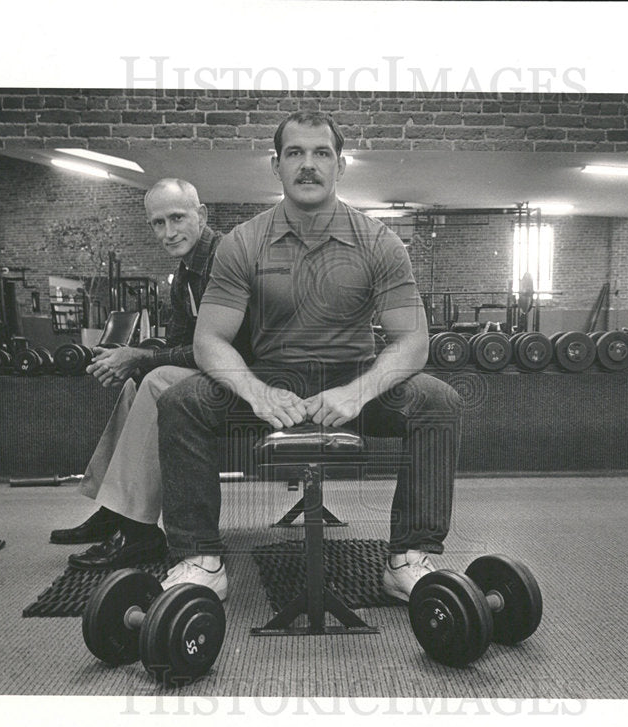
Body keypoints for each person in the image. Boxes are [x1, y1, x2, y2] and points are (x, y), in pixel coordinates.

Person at [154, 111, 464, 602]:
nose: (308, 164)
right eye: (295, 153)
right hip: (272, 380)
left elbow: (413, 341)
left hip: (352, 380)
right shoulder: (242, 243)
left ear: (340, 165)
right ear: (276, 165)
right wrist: (255, 392)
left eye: (321, 153)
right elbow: (209, 339)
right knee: (182, 401)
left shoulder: (379, 242)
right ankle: (200, 559)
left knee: (438, 402)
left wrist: (357, 393)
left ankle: (409, 556)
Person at [51, 178, 248, 570]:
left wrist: (139, 357)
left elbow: (222, 349)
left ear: (201, 215)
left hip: (249, 377)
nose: (168, 232)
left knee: (156, 382)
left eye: (177, 218)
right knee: (135, 384)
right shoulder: (185, 274)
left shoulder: (227, 260)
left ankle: (139, 532)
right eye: (158, 223)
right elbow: (178, 344)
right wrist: (130, 360)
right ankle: (115, 510)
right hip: (217, 374)